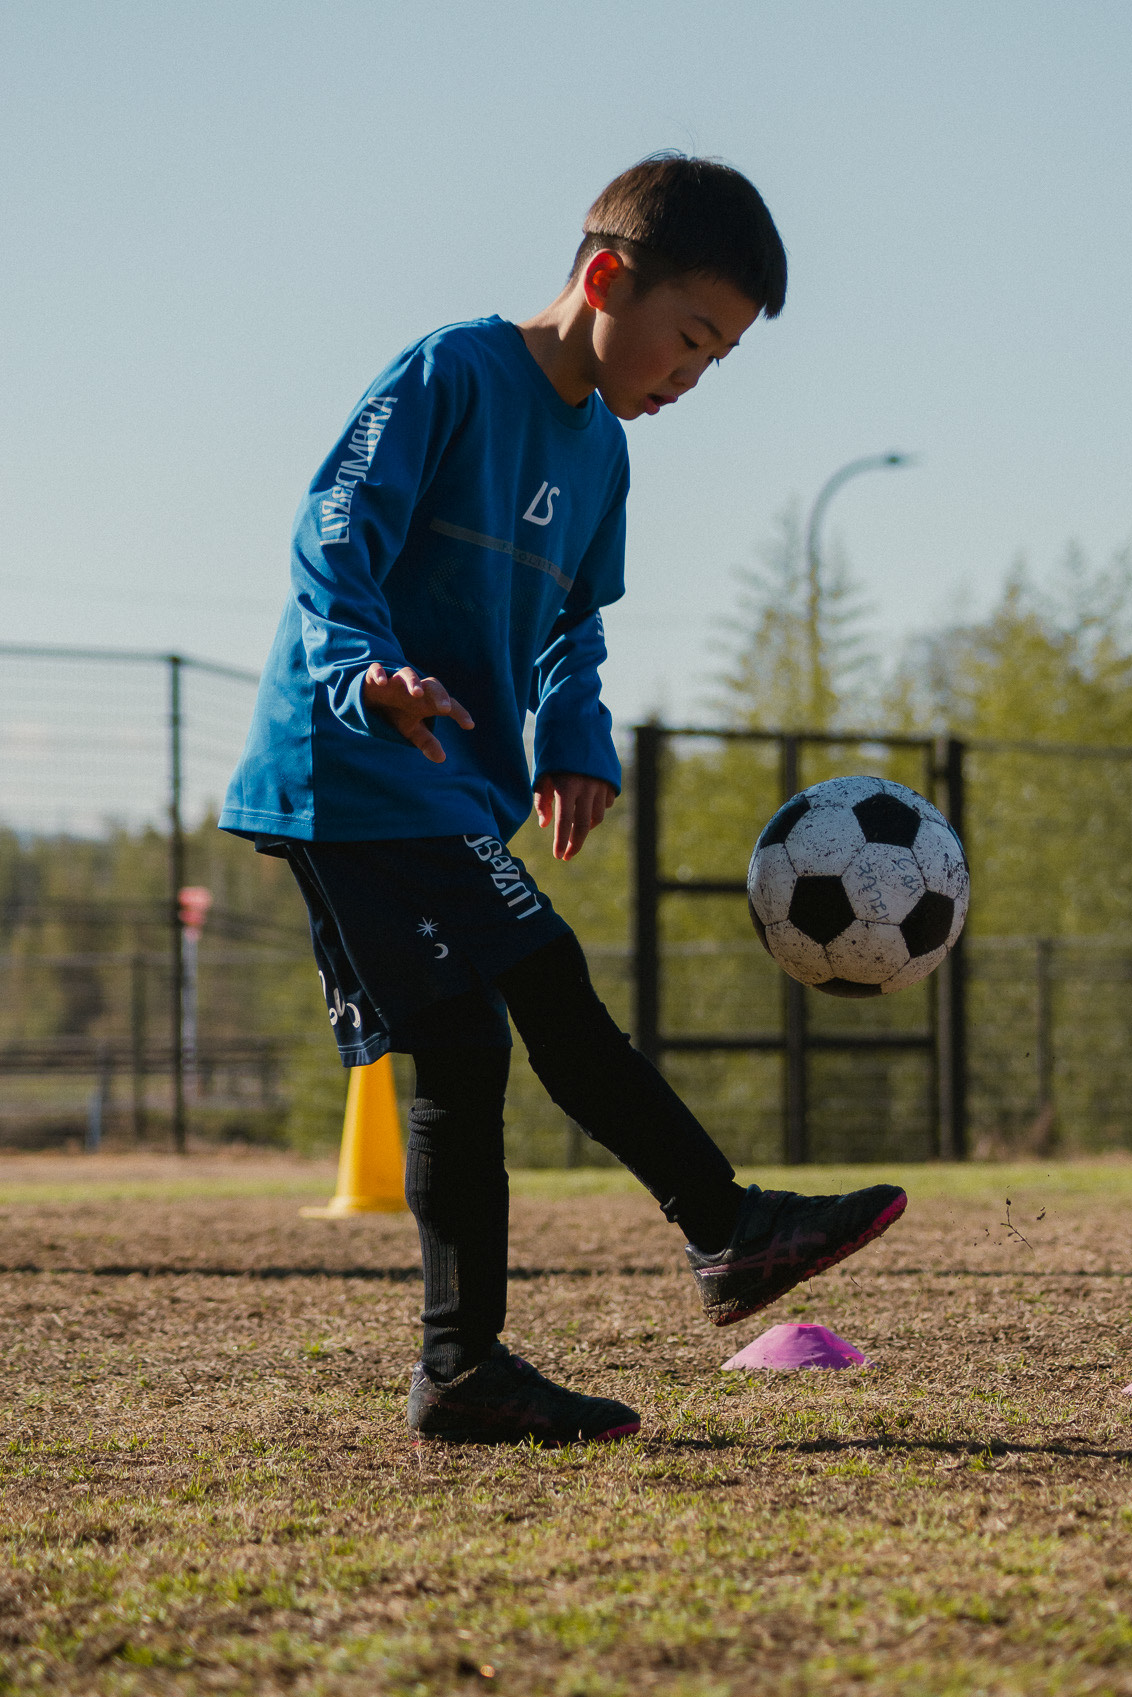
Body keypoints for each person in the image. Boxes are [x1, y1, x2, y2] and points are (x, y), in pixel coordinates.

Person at [221, 155, 906, 1446]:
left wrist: (572, 738)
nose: (690, 377)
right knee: (541, 971)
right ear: (603, 278)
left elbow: (569, 629)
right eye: (688, 337)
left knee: (466, 1048)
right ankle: (726, 1227)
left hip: (440, 783)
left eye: (719, 359)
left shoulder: (602, 456)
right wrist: (365, 673)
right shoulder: (452, 374)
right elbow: (334, 528)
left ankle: (460, 1371)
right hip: (352, 759)